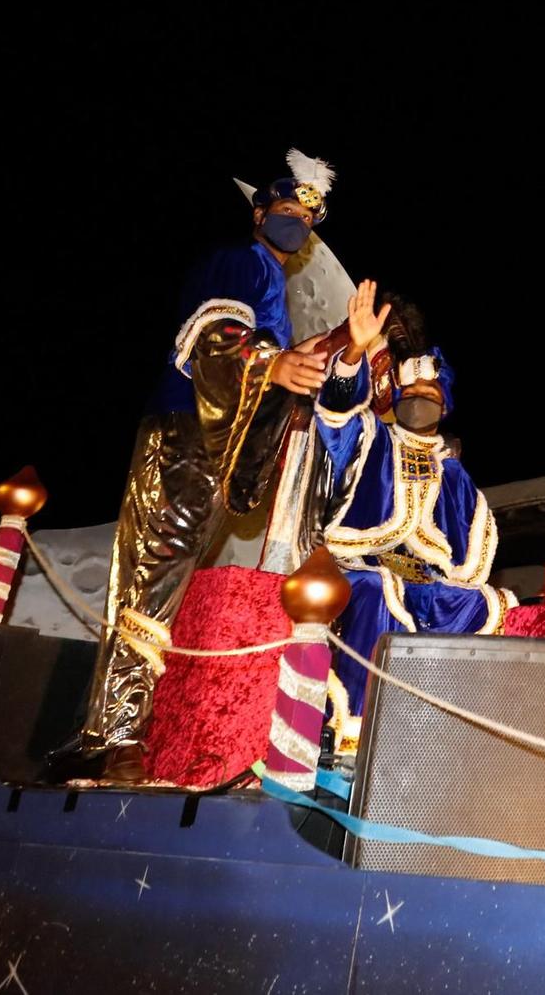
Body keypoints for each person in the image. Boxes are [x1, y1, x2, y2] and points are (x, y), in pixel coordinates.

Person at [53, 150, 338, 782]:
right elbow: (213, 334)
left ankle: (124, 725)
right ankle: (112, 734)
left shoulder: (271, 278)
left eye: (307, 216)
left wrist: (319, 351)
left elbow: (266, 349)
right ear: (260, 213)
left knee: (167, 577)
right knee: (154, 574)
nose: (297, 222)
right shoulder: (240, 260)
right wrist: (272, 365)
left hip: (214, 440)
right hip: (186, 430)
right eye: (286, 209)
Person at [315, 282, 517, 752]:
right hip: (368, 568)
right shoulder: (373, 440)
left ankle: (458, 737)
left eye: (429, 393)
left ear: (444, 403)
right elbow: (337, 417)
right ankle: (354, 734)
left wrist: (453, 580)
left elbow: (467, 556)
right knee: (376, 590)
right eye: (413, 392)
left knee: (490, 605)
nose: (419, 400)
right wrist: (353, 355)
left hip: (426, 583)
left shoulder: (453, 472)